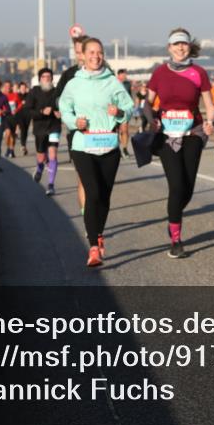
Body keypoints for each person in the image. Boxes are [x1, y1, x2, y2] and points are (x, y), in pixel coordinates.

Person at [59, 39, 134, 267]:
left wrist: (119, 112)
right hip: (83, 144)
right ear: (82, 55)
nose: (96, 56)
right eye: (91, 52)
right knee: (92, 193)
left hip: (108, 144)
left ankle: (98, 232)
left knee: (104, 195)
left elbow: (129, 108)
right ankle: (93, 247)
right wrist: (75, 122)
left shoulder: (112, 81)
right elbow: (64, 109)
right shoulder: (74, 83)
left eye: (99, 52)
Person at [146, 28, 214, 258]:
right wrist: (151, 120)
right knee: (176, 187)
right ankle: (176, 239)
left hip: (193, 133)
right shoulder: (159, 73)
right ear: (169, 48)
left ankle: (174, 214)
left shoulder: (199, 72)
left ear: (189, 46)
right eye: (176, 44)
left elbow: (209, 103)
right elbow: (147, 104)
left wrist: (210, 122)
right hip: (167, 136)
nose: (180, 48)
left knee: (187, 189)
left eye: (183, 44)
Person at [56, 32, 89, 215]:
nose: (80, 56)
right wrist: (64, 111)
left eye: (82, 51)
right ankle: (87, 217)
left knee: (99, 182)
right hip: (77, 132)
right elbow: (58, 98)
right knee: (83, 177)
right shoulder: (69, 74)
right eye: (77, 52)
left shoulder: (107, 73)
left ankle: (95, 212)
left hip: (102, 134)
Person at [26, 68, 62, 196]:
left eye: (49, 76)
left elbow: (64, 106)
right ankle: (40, 168)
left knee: (52, 154)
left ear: (52, 79)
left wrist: (60, 113)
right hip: (40, 128)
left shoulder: (57, 92)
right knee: (41, 156)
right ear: (40, 79)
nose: (46, 78)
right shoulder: (34, 91)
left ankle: (51, 185)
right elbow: (28, 110)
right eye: (44, 77)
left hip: (54, 126)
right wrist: (41, 112)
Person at [116, 69, 133, 157]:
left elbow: (130, 96)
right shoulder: (113, 83)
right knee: (116, 131)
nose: (125, 76)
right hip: (115, 109)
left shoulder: (127, 84)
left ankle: (125, 148)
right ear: (118, 75)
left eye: (125, 75)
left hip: (125, 109)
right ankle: (117, 148)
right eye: (123, 75)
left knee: (125, 129)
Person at [2, 81, 20, 158]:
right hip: (6, 117)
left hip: (14, 117)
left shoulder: (15, 95)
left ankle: (11, 150)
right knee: (8, 133)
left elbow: (20, 104)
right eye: (6, 86)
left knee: (13, 135)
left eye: (9, 86)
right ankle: (8, 148)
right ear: (4, 87)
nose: (7, 88)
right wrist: (3, 110)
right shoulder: (2, 96)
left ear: (11, 87)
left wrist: (16, 110)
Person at [16, 81, 32, 156]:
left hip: (28, 115)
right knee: (22, 129)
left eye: (24, 88)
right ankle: (22, 145)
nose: (23, 89)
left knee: (25, 130)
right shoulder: (17, 95)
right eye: (22, 88)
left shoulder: (29, 95)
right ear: (19, 88)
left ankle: (24, 144)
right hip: (19, 115)